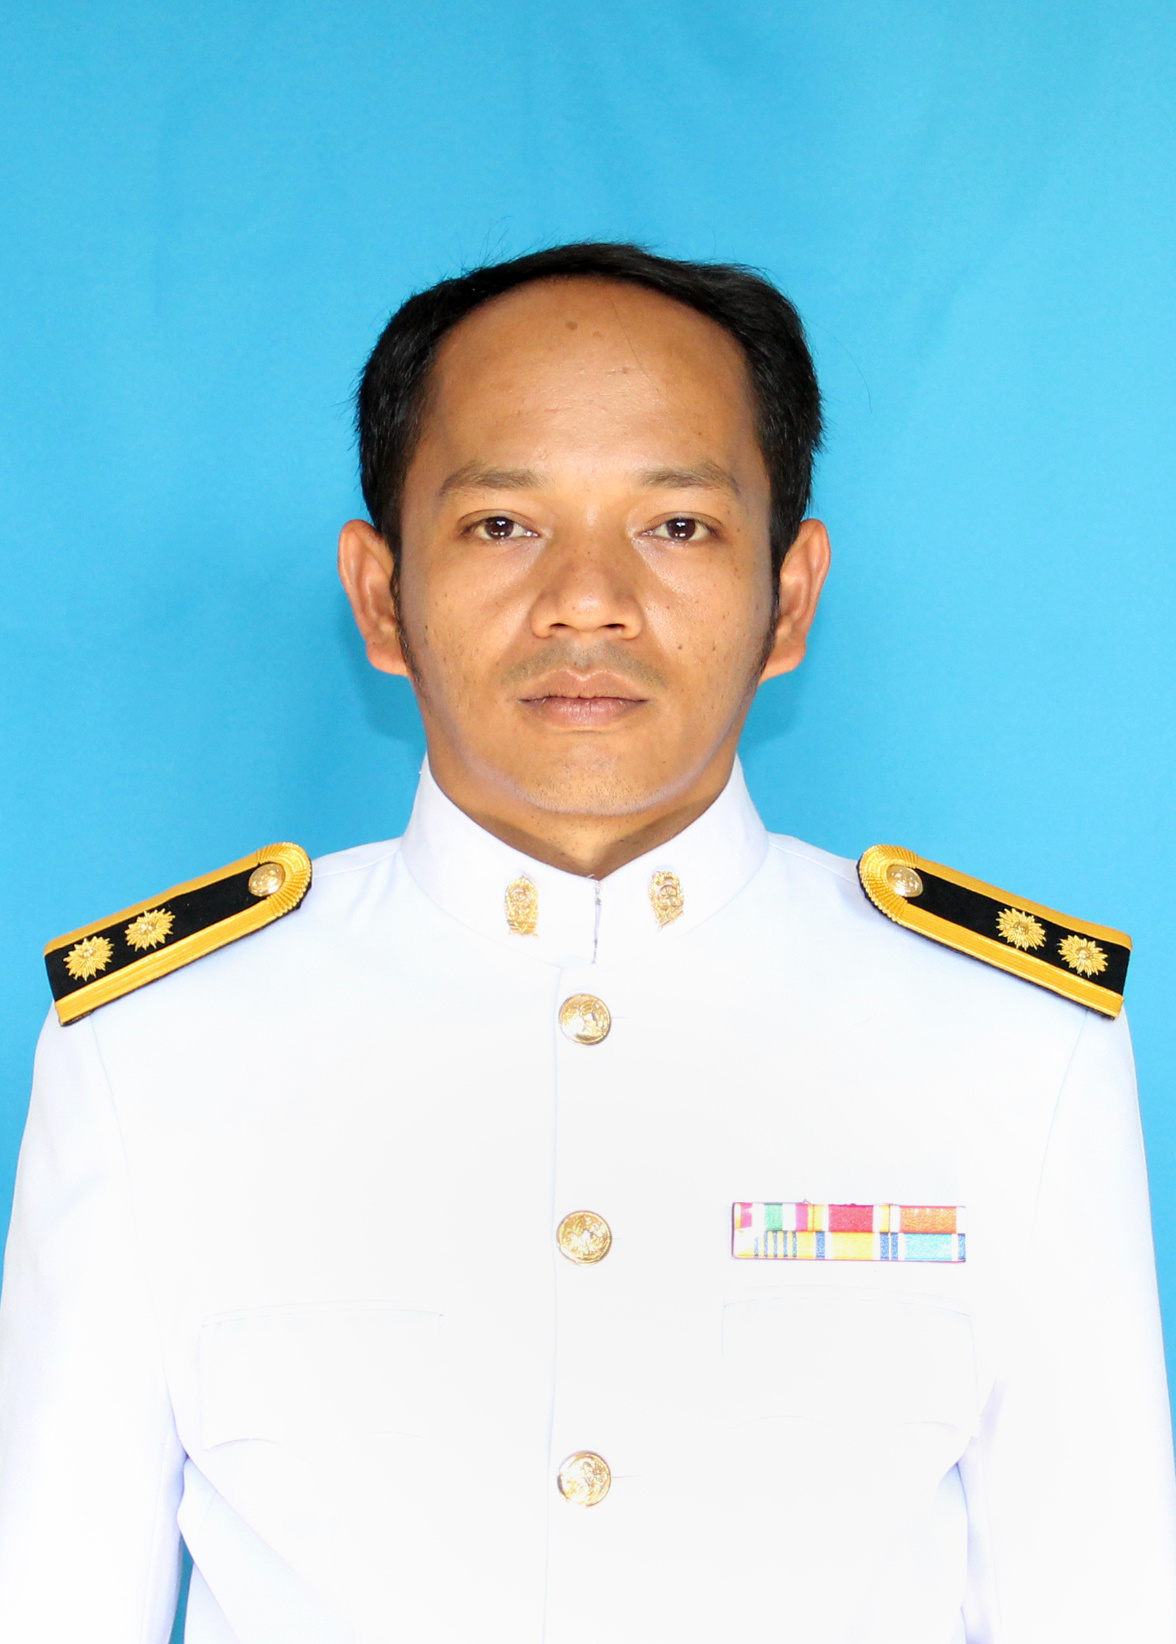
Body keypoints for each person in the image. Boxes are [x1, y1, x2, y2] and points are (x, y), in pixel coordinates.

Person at [0, 242, 1173, 1644]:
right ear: (379, 595)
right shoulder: (149, 1054)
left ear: (791, 596)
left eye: (677, 526)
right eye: (503, 524)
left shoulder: (1016, 1050)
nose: (588, 599)